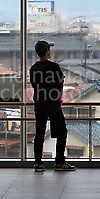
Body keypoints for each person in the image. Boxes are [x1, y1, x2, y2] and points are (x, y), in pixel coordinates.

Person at [29, 40, 76, 172]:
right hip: (53, 104)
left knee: (39, 133)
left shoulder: (33, 68)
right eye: (49, 49)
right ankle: (59, 162)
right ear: (46, 51)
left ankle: (38, 163)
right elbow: (59, 85)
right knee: (61, 131)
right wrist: (59, 98)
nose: (51, 51)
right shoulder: (54, 67)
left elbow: (34, 85)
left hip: (39, 104)